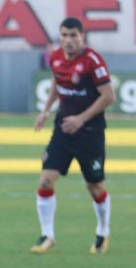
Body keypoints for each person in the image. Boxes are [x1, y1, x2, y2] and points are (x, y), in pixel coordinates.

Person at [31, 17, 115, 255]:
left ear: (82, 37)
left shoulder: (92, 61)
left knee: (95, 187)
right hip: (64, 129)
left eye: (73, 36)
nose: (68, 41)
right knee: (46, 179)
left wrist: (81, 119)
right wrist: (46, 110)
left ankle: (103, 231)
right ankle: (47, 235)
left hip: (90, 133)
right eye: (64, 36)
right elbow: (57, 83)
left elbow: (108, 96)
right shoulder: (55, 57)